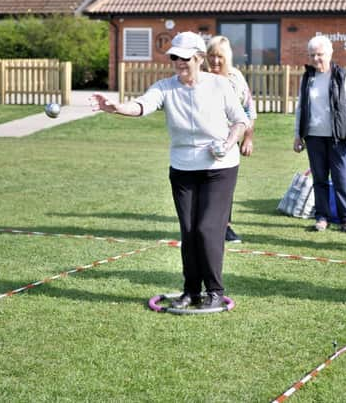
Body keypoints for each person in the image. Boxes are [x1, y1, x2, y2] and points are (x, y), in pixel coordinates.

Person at [89, 32, 249, 310]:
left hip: (219, 168)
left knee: (207, 229)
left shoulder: (219, 86)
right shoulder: (165, 87)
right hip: (183, 168)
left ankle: (214, 291)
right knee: (188, 231)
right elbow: (142, 105)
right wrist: (117, 107)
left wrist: (227, 142)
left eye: (184, 57)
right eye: (174, 57)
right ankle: (191, 291)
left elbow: (240, 122)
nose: (178, 62)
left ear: (199, 58)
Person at [293, 35, 346, 233]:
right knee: (320, 179)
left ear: (330, 54)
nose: (316, 59)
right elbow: (300, 108)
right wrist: (298, 135)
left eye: (320, 54)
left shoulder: (342, 76)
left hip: (338, 137)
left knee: (341, 178)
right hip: (313, 136)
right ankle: (321, 217)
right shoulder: (307, 78)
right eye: (312, 55)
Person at [206, 35, 257, 243]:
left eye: (219, 57)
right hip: (203, 140)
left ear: (227, 57)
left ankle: (225, 226)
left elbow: (249, 110)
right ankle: (203, 226)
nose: (215, 61)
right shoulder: (200, 76)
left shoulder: (236, 78)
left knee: (224, 185)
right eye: (211, 56)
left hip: (229, 140)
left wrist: (248, 138)